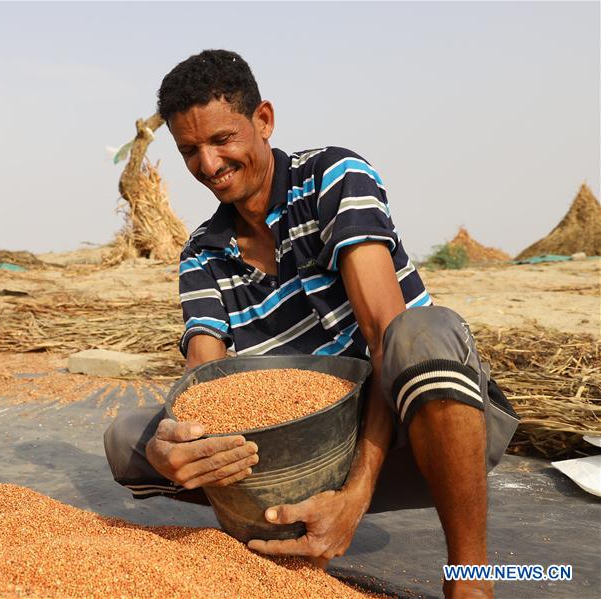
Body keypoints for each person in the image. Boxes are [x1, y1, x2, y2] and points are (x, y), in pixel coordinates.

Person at [103, 49, 519, 599]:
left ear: (264, 120)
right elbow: (208, 377)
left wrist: (357, 494)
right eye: (189, 151)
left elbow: (383, 337)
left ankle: (471, 580)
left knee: (423, 333)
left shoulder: (333, 179)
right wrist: (179, 439)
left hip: (418, 428)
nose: (208, 165)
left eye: (222, 139)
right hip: (304, 453)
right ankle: (279, 551)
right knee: (129, 439)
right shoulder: (203, 253)